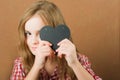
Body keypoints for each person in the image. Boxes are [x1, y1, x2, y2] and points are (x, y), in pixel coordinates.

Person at [10, 0, 102, 80]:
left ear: (55, 33)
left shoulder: (78, 59)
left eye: (40, 34)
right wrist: (36, 66)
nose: (33, 41)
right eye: (28, 33)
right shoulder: (21, 64)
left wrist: (74, 64)